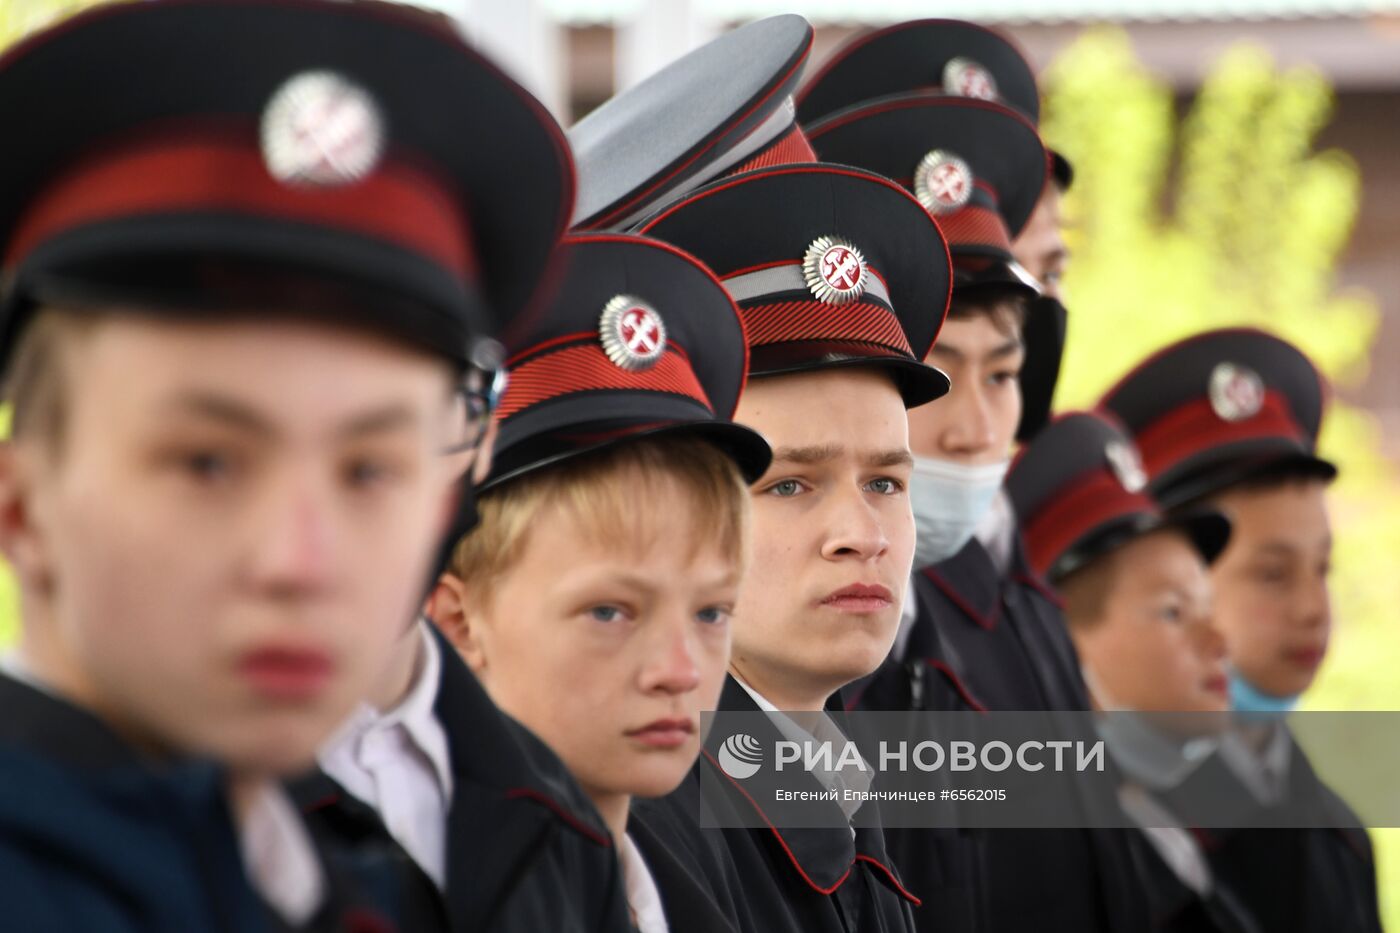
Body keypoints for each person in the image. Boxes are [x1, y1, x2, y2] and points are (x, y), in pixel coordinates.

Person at [0, 0, 578, 929]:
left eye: (369, 470)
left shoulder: (292, 878)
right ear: (22, 505)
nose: (299, 560)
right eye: (207, 462)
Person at [801, 35, 1148, 931]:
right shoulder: (814, 627)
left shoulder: (1008, 580)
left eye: (1003, 371)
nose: (976, 425)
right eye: (938, 377)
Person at [631, 161, 953, 933]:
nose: (862, 537)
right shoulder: (650, 810)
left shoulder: (823, 761)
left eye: (885, 483)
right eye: (790, 485)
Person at [424, 233, 770, 932]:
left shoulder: (689, 894)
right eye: (610, 611)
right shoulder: (421, 897)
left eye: (711, 612)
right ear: (459, 620)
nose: (679, 671)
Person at [1100, 328, 1383, 933]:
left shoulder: (1342, 835)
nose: (1313, 607)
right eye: (1272, 574)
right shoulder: (1098, 826)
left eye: (1323, 568)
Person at [1009, 411, 1265, 932]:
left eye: (1208, 610)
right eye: (1173, 612)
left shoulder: (1178, 829)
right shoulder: (1035, 864)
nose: (1219, 643)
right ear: (1060, 643)